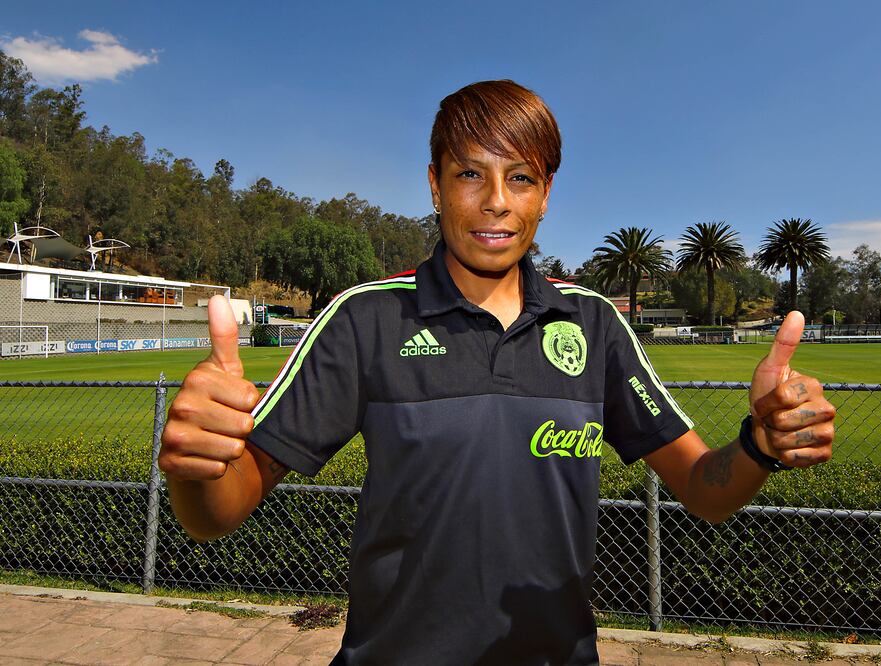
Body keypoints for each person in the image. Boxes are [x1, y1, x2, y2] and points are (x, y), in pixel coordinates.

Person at [159, 80, 835, 665]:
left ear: (545, 195)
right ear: (434, 184)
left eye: (521, 178)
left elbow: (705, 491)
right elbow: (218, 513)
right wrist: (197, 466)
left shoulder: (593, 322)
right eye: (469, 175)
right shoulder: (365, 319)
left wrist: (759, 443)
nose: (496, 202)